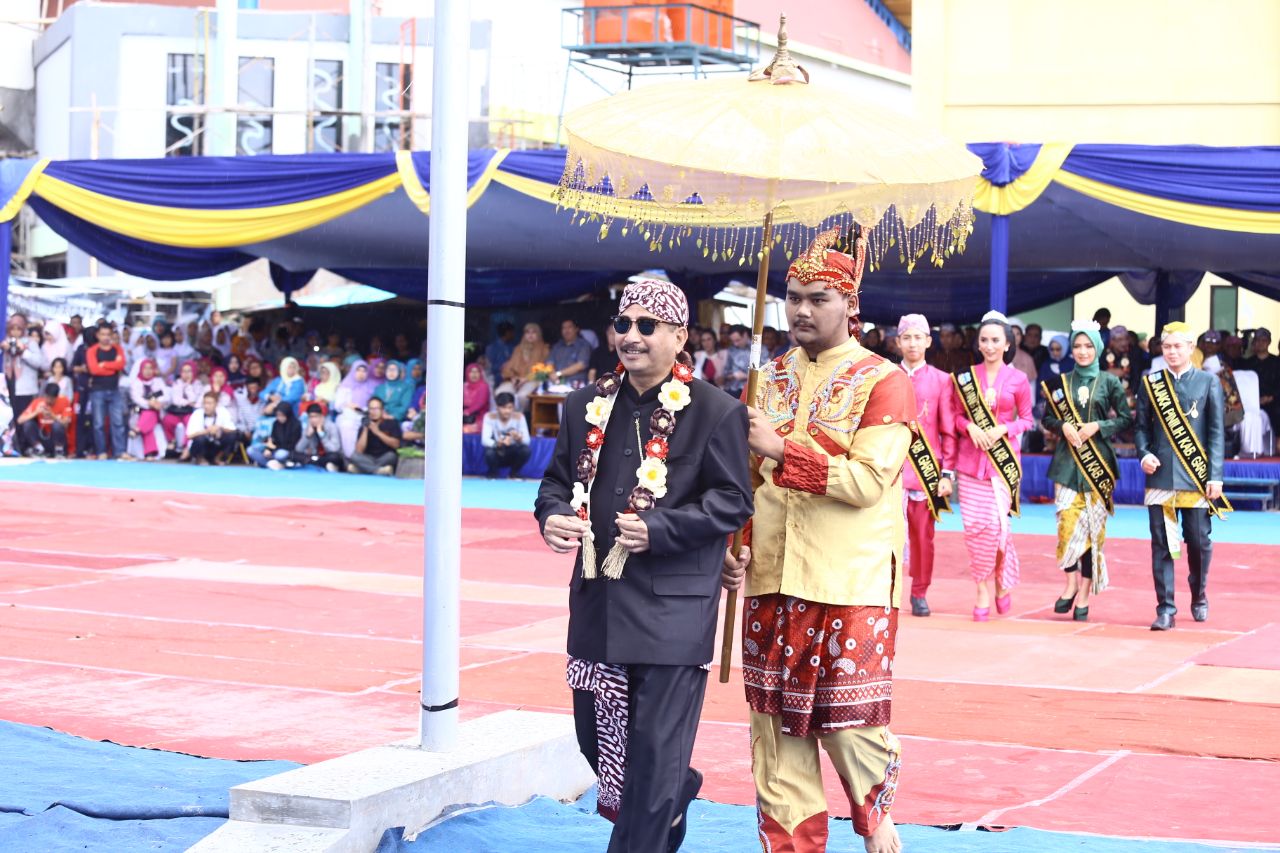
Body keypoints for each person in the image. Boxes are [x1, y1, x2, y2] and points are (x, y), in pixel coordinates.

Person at [535, 278, 752, 853]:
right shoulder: (586, 404)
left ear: (680, 336)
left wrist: (660, 528)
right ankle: (678, 788)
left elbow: (733, 501)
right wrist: (553, 514)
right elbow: (556, 482)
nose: (630, 336)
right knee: (595, 739)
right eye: (623, 325)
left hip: (673, 613)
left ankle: (658, 805)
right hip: (598, 604)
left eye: (646, 326)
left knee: (652, 758)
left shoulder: (716, 411)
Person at [719, 230, 911, 853]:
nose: (800, 310)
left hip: (847, 578)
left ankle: (875, 812)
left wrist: (779, 448)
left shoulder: (884, 381)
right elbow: (747, 482)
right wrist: (735, 540)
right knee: (774, 734)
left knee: (849, 724)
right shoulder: (766, 379)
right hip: (772, 575)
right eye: (793, 298)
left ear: (849, 305)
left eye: (818, 298)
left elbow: (866, 480)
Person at [1136, 322, 1227, 631]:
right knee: (1161, 544)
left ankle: (1198, 593)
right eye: (1167, 347)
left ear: (1191, 348)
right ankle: (1165, 608)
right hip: (1160, 478)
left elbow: (1215, 433)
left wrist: (1215, 475)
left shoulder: (1207, 382)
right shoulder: (1151, 383)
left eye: (1178, 346)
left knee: (1199, 542)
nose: (1172, 352)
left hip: (1196, 478)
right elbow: (1140, 428)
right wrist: (1144, 453)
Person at [1041, 322, 1133, 622]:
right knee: (1066, 526)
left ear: (1098, 348)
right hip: (1067, 464)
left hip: (1099, 466)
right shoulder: (1059, 383)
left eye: (1088, 346)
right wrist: (1061, 425)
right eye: (1078, 346)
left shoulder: (1110, 383)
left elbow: (1124, 419)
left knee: (1094, 532)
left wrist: (1099, 426)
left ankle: (1083, 592)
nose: (1082, 351)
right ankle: (1069, 584)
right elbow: (1047, 419)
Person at [952, 312, 1033, 621]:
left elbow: (1026, 419)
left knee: (1000, 530)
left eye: (995, 340)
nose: (989, 345)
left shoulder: (1018, 380)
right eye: (984, 340)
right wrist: (969, 428)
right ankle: (981, 587)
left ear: (1007, 344)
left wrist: (1003, 430)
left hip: (1003, 463)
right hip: (971, 464)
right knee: (975, 529)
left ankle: (1002, 581)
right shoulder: (964, 377)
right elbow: (956, 416)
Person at [896, 313, 957, 618]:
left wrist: (946, 474)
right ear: (897, 342)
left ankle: (919, 592)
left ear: (929, 342)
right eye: (907, 337)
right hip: (889, 474)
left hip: (925, 474)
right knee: (884, 537)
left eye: (918, 337)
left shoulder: (942, 381)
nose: (912, 343)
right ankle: (886, 589)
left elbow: (947, 430)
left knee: (924, 540)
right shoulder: (886, 377)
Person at [85, 323, 130, 460]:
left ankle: (120, 451)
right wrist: (112, 367)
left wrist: (104, 364)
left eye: (108, 334)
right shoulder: (92, 351)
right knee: (98, 423)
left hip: (114, 390)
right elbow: (93, 369)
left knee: (118, 422)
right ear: (98, 335)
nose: (105, 337)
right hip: (97, 390)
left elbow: (121, 365)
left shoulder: (118, 349)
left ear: (112, 335)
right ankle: (101, 452)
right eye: (103, 334)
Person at [496, 323, 551, 411]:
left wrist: (526, 379)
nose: (530, 335)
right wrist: (513, 378)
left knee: (522, 396)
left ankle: (519, 419)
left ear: (538, 334)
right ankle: (506, 420)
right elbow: (509, 366)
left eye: (534, 332)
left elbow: (545, 371)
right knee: (501, 392)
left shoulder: (545, 349)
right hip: (515, 380)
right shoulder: (518, 349)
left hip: (533, 380)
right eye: (527, 332)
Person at [5, 315, 48, 424]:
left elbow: (40, 363)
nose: (15, 332)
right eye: (12, 329)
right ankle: (18, 440)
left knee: (27, 419)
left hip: (26, 388)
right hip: (10, 385)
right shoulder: (6, 342)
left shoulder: (30, 343)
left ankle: (29, 441)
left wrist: (23, 351)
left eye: (18, 329)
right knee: (15, 417)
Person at [335, 359, 379, 458]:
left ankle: (359, 459)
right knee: (347, 425)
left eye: (364, 371)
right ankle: (350, 456)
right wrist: (348, 405)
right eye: (358, 370)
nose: (361, 373)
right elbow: (337, 406)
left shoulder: (371, 386)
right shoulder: (345, 386)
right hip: (348, 416)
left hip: (366, 415)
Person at [481, 392, 531, 478]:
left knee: (526, 450)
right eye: (503, 408)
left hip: (513, 450)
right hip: (498, 450)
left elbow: (527, 440)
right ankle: (493, 473)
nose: (507, 411)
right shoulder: (489, 416)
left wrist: (519, 438)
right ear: (497, 407)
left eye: (510, 407)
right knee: (489, 452)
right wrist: (497, 443)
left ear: (513, 407)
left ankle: (514, 473)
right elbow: (484, 440)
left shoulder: (519, 417)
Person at [348, 396, 401, 475]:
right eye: (371, 409)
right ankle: (378, 470)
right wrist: (366, 429)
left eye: (376, 409)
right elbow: (359, 450)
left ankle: (363, 469)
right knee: (354, 456)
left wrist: (377, 432)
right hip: (368, 457)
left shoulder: (392, 423)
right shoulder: (364, 424)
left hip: (384, 457)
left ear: (382, 410)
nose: (373, 412)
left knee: (392, 456)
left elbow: (396, 445)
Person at [1240, 328, 1280, 434]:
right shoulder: (1246, 364)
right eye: (1258, 340)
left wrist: (1271, 397)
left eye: (1264, 340)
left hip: (1273, 402)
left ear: (1269, 342)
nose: (1261, 343)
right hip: (1251, 403)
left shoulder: (1277, 362)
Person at [15, 383, 72, 457]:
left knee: (57, 425)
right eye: (47, 397)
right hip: (42, 436)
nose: (48, 400)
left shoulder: (64, 401)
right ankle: (39, 449)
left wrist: (53, 416)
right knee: (28, 424)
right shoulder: (38, 402)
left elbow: (66, 423)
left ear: (56, 397)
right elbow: (19, 420)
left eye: (51, 399)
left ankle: (59, 450)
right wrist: (36, 412)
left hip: (56, 438)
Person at [129, 359, 170, 460]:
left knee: (149, 415)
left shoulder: (158, 381)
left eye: (150, 368)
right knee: (149, 415)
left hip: (158, 410)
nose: (148, 371)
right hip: (141, 411)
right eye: (145, 368)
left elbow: (166, 396)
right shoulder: (136, 382)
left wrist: (157, 402)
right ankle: (150, 453)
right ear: (141, 370)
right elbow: (136, 398)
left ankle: (137, 430)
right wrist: (150, 403)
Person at [184, 392, 238, 465]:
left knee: (232, 436)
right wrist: (206, 431)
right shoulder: (197, 413)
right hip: (202, 445)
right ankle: (200, 459)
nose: (206, 406)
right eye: (205, 403)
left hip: (216, 445)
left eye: (209, 403)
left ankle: (218, 458)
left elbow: (233, 430)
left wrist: (219, 428)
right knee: (200, 439)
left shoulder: (223, 411)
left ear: (216, 404)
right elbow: (189, 436)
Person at [164, 361, 206, 452]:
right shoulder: (177, 383)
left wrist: (188, 386)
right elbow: (176, 400)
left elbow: (196, 401)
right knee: (167, 419)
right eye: (184, 371)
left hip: (190, 412)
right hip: (177, 412)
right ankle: (172, 441)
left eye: (189, 371)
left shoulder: (198, 384)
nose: (186, 374)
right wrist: (188, 402)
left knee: (190, 422)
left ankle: (186, 446)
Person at [249, 401, 301, 469]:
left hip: (286, 451)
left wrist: (275, 448)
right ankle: (269, 464)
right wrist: (268, 449)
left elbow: (292, 445)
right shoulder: (276, 424)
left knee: (280, 454)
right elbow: (273, 439)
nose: (280, 418)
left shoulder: (296, 425)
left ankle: (277, 464)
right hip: (274, 450)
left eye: (282, 415)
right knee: (251, 450)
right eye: (278, 415)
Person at [293, 403, 343, 471]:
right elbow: (298, 449)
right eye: (310, 417)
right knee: (294, 455)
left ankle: (329, 465)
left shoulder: (331, 427)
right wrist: (307, 436)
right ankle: (323, 465)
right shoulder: (309, 427)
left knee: (335, 457)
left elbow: (334, 449)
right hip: (315, 456)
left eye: (315, 417)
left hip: (327, 455)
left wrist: (322, 435)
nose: (313, 420)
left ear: (322, 417)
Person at [549, 318, 592, 386]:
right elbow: (549, 363)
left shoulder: (583, 345)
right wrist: (552, 374)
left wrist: (558, 374)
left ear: (576, 329)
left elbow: (581, 365)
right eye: (564, 328)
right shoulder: (557, 346)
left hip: (576, 383)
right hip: (555, 383)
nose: (566, 330)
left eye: (569, 327)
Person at [720, 324, 751, 398]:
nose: (735, 344)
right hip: (733, 390)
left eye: (738, 340)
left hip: (752, 390)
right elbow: (725, 373)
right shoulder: (731, 350)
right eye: (733, 341)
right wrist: (733, 375)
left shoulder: (759, 350)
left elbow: (765, 374)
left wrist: (746, 376)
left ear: (745, 335)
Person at [462, 363, 490, 435]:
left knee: (465, 430)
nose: (474, 374)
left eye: (477, 372)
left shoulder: (483, 386)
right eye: (471, 372)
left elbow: (480, 403)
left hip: (479, 418)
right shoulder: (464, 386)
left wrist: (467, 411)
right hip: (464, 417)